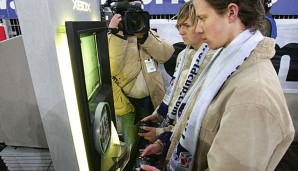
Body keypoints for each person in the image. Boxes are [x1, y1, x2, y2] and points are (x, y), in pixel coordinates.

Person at [140, 0, 295, 170]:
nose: (198, 29)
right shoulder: (222, 66)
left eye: (203, 18)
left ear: (231, 13)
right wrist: (164, 143)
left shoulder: (253, 95)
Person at [139, 0, 216, 145]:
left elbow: (193, 117)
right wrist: (158, 114)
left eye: (186, 26)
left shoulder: (213, 61)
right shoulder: (183, 54)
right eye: (178, 26)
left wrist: (161, 135)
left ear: (202, 24)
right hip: (171, 134)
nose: (180, 32)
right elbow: (174, 92)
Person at [107, 2, 175, 153]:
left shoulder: (144, 31)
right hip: (127, 103)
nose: (133, 21)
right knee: (131, 143)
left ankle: (148, 159)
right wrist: (117, 35)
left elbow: (166, 54)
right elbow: (111, 68)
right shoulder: (113, 37)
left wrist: (144, 36)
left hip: (151, 98)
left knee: (152, 137)